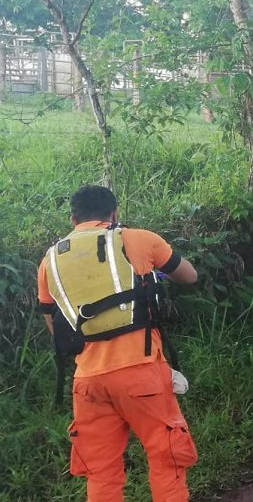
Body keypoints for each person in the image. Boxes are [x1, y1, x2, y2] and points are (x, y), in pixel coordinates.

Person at [36, 185, 198, 501]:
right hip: (142, 372)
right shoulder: (136, 238)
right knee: (167, 459)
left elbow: (53, 322)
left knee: (101, 472)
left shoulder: (50, 260)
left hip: (88, 381)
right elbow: (189, 275)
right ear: (115, 213)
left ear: (73, 219)